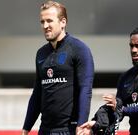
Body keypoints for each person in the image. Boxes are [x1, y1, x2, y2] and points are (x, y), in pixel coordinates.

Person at [79, 25, 138, 135]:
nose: (134, 50)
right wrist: (96, 125)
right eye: (131, 46)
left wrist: (123, 109)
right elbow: (117, 110)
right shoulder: (126, 77)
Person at [21, 1, 94, 135]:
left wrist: (81, 125)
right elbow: (37, 93)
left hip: (69, 130)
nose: (45, 26)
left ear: (63, 22)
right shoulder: (41, 53)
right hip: (45, 130)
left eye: (49, 21)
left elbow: (86, 89)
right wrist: (26, 128)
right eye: (42, 22)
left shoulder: (79, 49)